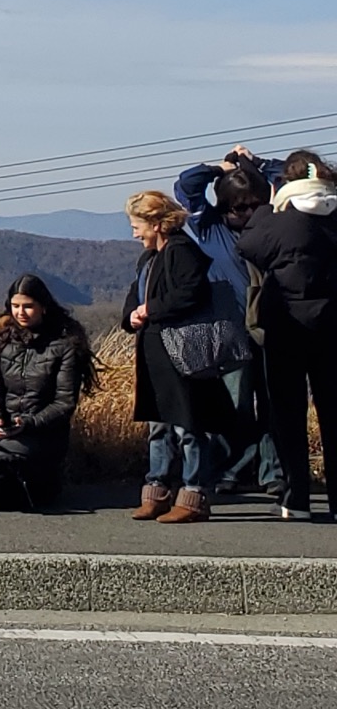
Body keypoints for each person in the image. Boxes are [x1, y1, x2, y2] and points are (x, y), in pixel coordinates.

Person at [176, 145, 287, 494]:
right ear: (224, 206)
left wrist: (259, 164)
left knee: (274, 403)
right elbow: (186, 186)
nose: (249, 212)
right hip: (229, 331)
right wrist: (219, 168)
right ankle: (230, 469)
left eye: (255, 204)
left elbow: (294, 178)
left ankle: (272, 472)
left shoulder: (274, 224)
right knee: (232, 405)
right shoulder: (209, 227)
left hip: (272, 327)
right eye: (240, 207)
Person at [235, 149, 337, 521]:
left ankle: (297, 498)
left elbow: (248, 245)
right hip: (333, 327)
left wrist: (266, 202)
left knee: (287, 414)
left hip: (287, 328)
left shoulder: (279, 223)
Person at [123, 189, 237, 524]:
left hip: (182, 354)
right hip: (157, 353)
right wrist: (131, 316)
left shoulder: (182, 251)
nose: (134, 233)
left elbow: (190, 293)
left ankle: (193, 492)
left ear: (156, 224)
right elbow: (135, 295)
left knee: (189, 425)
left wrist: (151, 309)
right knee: (159, 424)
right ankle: (157, 489)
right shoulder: (149, 258)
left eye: (137, 226)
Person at [0, 274, 93, 510]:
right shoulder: (0, 340)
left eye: (28, 306)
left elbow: (64, 403)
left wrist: (28, 423)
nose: (20, 312)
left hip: (43, 434)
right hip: (4, 429)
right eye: (15, 306)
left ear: (43, 307)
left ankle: (42, 485)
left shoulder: (65, 344)